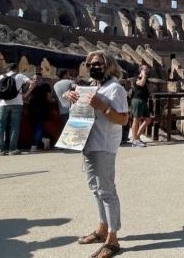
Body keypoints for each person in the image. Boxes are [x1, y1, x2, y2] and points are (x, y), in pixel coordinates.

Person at [66, 50, 128, 257]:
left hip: (104, 145)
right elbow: (81, 109)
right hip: (88, 143)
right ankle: (102, 228)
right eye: (90, 64)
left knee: (107, 191)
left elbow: (123, 119)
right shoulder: (92, 87)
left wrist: (103, 107)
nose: (92, 67)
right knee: (95, 189)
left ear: (108, 65)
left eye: (97, 64)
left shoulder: (115, 89)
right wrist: (71, 97)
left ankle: (113, 238)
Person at [0, 63, 34, 155]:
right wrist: (26, 94)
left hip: (3, 103)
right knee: (14, 126)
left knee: (1, 126)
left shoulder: (1, 77)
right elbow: (32, 82)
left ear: (8, 69)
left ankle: (0, 150)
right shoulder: (20, 76)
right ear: (16, 69)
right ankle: (12, 149)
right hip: (17, 103)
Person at [27, 73, 52, 152]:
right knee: (39, 126)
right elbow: (48, 97)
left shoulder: (31, 85)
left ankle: (42, 141)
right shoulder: (45, 84)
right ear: (41, 77)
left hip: (31, 107)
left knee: (34, 126)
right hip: (42, 107)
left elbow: (27, 96)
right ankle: (36, 145)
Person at [129, 65, 151, 148]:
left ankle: (136, 137)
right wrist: (144, 75)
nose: (147, 70)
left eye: (147, 69)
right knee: (136, 119)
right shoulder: (136, 78)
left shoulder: (146, 79)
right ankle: (135, 141)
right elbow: (141, 84)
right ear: (141, 70)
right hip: (137, 100)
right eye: (145, 69)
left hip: (144, 101)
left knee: (148, 120)